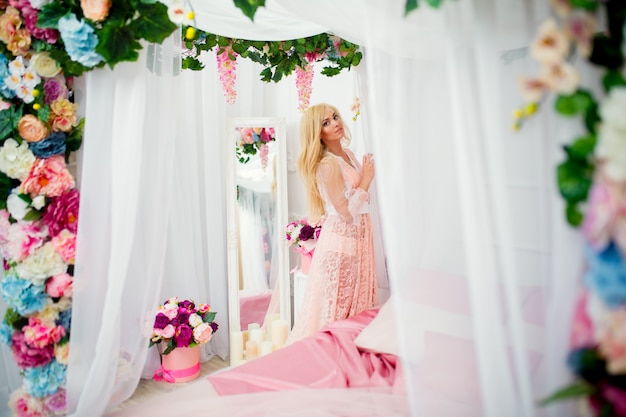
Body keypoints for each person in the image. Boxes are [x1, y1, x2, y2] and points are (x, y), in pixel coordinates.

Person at [288, 103, 378, 343]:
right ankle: (329, 354)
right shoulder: (328, 165)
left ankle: (350, 350)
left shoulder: (347, 153)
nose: (335, 123)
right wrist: (366, 181)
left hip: (359, 236)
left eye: (335, 117)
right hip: (341, 238)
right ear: (318, 134)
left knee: (355, 303)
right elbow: (346, 212)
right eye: (326, 123)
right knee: (337, 307)